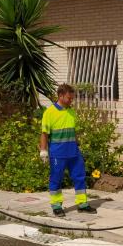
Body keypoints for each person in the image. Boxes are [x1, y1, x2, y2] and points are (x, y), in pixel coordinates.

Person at [39, 83, 97, 217]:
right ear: (60, 96)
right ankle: (56, 205)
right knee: (56, 179)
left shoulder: (71, 112)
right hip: (58, 153)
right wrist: (43, 150)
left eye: (72, 98)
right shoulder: (49, 113)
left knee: (80, 177)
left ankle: (82, 204)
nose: (71, 101)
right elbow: (44, 133)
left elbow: (73, 131)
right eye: (69, 98)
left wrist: (78, 143)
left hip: (73, 152)